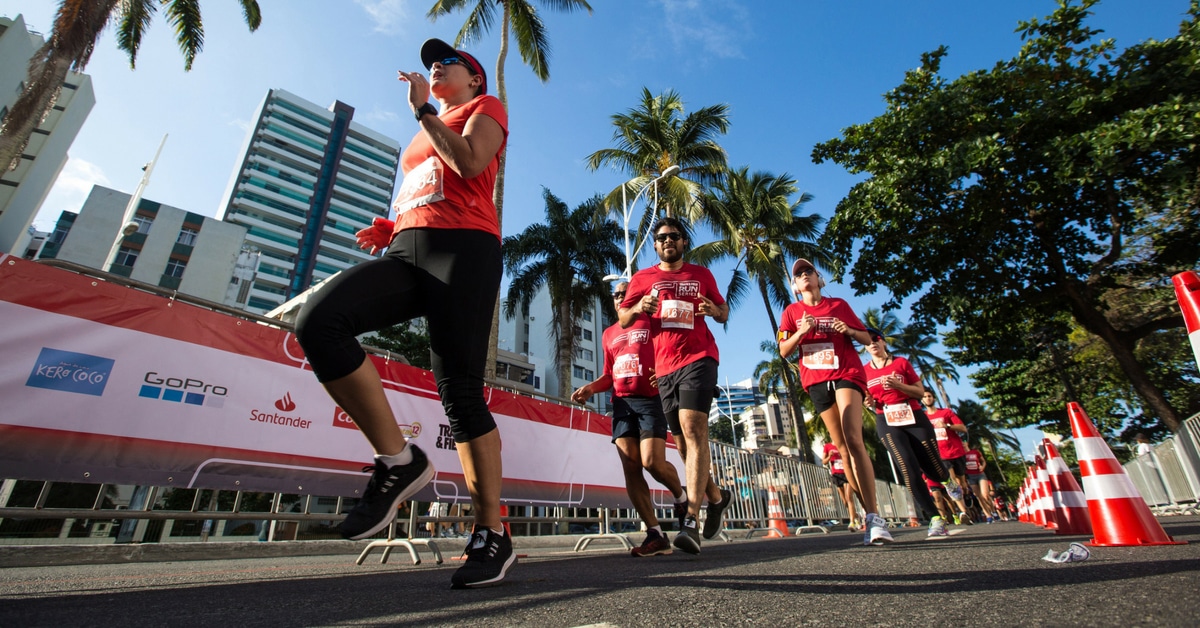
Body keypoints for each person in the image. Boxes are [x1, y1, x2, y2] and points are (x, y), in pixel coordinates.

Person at [293, 38, 511, 589]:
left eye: (449, 61)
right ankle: (397, 460)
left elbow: (468, 162)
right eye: (432, 61)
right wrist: (396, 227)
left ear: (474, 81)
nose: (436, 65)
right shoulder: (424, 131)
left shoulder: (484, 110)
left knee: (459, 393)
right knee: (318, 321)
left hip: (465, 250)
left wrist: (423, 110)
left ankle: (493, 535)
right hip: (409, 248)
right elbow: (429, 187)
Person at [618, 217, 732, 555]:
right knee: (682, 445)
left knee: (693, 429)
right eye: (662, 237)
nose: (668, 240)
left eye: (675, 236)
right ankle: (716, 497)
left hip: (699, 357)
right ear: (655, 245)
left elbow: (724, 311)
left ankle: (691, 521)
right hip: (664, 367)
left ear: (684, 243)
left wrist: (715, 310)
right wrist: (640, 305)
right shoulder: (643, 278)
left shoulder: (701, 275)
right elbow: (624, 318)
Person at [778, 259, 892, 545]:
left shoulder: (838, 305)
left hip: (846, 374)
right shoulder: (791, 313)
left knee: (854, 439)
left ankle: (875, 517)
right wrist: (802, 332)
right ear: (795, 285)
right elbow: (783, 350)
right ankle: (869, 516)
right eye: (799, 275)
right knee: (841, 447)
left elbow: (867, 337)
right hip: (816, 381)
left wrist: (849, 331)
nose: (804, 276)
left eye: (809, 272)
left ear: (819, 279)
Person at [572, 281, 688, 557]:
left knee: (653, 463)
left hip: (650, 400)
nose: (621, 297)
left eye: (626, 293)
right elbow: (608, 374)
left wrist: (665, 374)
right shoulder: (609, 333)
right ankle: (655, 533)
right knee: (631, 468)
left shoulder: (651, 320)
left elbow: (673, 349)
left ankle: (682, 499)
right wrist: (590, 388)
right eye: (616, 295)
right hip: (621, 404)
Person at [862, 328, 949, 538]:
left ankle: (948, 480)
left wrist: (899, 385)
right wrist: (868, 402)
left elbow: (920, 392)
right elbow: (868, 399)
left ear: (883, 342)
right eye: (868, 342)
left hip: (913, 415)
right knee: (907, 467)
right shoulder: (864, 371)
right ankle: (935, 518)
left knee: (934, 468)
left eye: (876, 340)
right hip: (887, 419)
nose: (873, 344)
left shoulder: (901, 363)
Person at [921, 392, 973, 525]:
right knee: (952, 481)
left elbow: (963, 428)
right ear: (922, 400)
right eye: (925, 397)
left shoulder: (946, 412)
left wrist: (947, 426)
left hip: (956, 452)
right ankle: (962, 512)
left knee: (962, 482)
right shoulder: (923, 417)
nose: (927, 398)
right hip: (942, 455)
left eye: (929, 396)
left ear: (933, 398)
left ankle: (966, 493)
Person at [822, 441, 862, 530]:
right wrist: (830, 456)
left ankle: (852, 522)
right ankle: (856, 516)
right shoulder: (827, 446)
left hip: (847, 473)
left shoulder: (844, 444)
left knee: (849, 497)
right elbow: (824, 461)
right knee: (844, 501)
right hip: (836, 474)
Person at [964, 446, 998, 523]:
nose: (962, 443)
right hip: (970, 477)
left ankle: (993, 511)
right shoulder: (961, 454)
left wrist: (982, 467)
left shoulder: (975, 452)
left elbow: (983, 461)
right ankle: (988, 515)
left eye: (964, 441)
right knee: (979, 497)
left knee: (985, 495)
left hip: (980, 474)